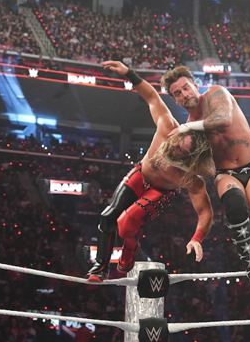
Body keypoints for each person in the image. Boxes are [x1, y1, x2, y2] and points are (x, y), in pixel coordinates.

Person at [86, 61, 214, 282]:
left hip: (161, 191)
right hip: (140, 174)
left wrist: (197, 238)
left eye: (180, 153)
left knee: (125, 225)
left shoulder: (191, 178)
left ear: (189, 158)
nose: (174, 151)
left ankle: (130, 247)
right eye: (176, 143)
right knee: (108, 216)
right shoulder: (167, 124)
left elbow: (205, 212)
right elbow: (152, 97)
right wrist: (129, 73)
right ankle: (101, 267)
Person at [161, 66, 250, 294]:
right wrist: (180, 162)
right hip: (226, 173)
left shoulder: (216, 93)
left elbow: (222, 120)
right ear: (175, 100)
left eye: (186, 88)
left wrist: (187, 126)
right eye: (178, 93)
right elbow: (204, 167)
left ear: (195, 85)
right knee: (234, 202)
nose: (185, 94)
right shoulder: (189, 133)